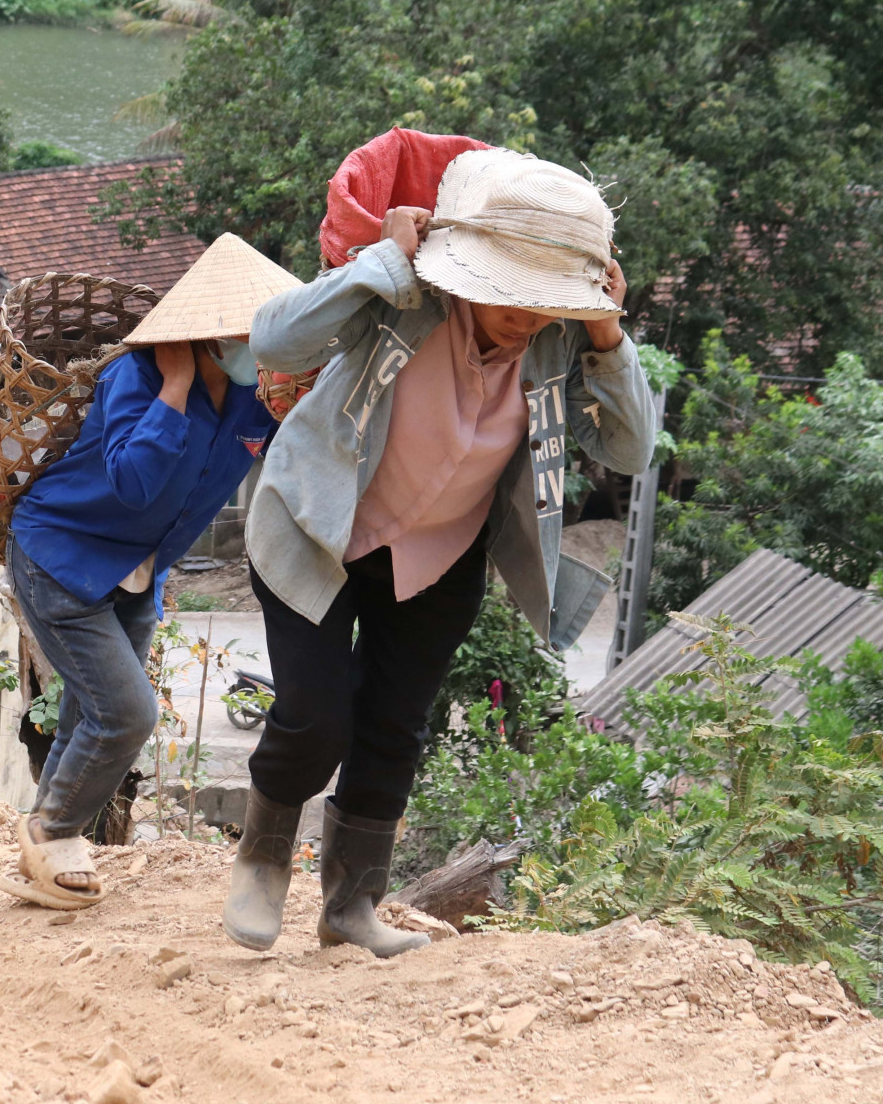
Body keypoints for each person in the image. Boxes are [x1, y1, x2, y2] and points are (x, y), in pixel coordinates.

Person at [223, 147, 658, 958]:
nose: (524, 313)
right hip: (320, 527)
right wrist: (381, 261)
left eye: (544, 298)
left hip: (439, 557)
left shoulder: (563, 347)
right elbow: (274, 342)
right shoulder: (403, 294)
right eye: (508, 292)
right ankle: (261, 861)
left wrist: (606, 331)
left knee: (394, 726)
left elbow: (633, 451)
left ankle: (351, 906)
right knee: (316, 719)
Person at [0, 238, 289, 909]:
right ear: (207, 334)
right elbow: (132, 481)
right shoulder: (134, 380)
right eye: (248, 330)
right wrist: (177, 388)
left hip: (137, 575)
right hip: (62, 560)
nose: (260, 343)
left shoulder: (254, 401)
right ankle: (51, 827)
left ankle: (40, 859)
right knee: (127, 713)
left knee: (86, 714)